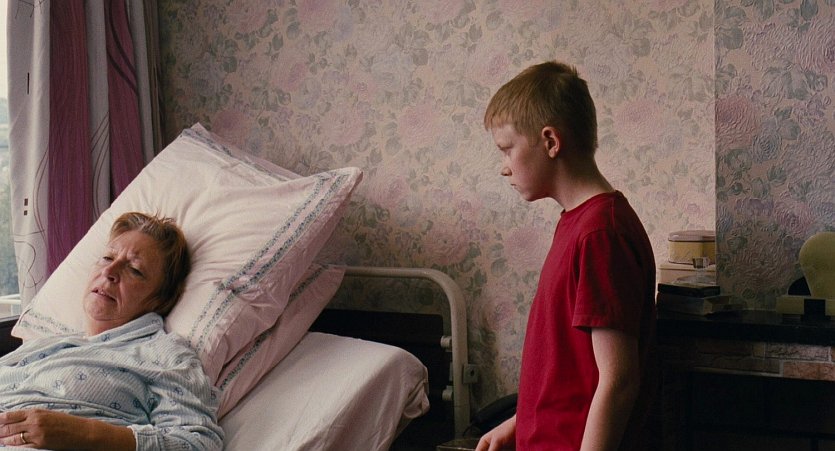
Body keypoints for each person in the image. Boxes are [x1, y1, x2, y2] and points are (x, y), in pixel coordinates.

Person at [476, 61, 657, 451]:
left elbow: (619, 380)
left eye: (507, 149)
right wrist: (519, 423)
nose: (504, 168)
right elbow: (569, 367)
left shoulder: (601, 234)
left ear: (550, 142)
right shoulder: (578, 224)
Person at [0, 212, 223, 450]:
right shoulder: (44, 347)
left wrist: (84, 433)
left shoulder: (163, 354)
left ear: (160, 299)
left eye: (135, 270)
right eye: (107, 258)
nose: (109, 271)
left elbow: (198, 442)